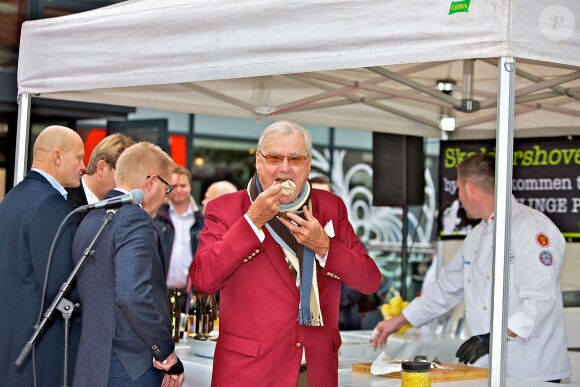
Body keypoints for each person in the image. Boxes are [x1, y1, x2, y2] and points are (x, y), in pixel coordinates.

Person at [191, 120, 381, 386]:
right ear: (258, 161)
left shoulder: (330, 207)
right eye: (274, 157)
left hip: (314, 371)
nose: (284, 167)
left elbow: (369, 280)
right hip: (250, 372)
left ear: (308, 163)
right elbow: (203, 279)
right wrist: (251, 222)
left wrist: (325, 246)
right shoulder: (226, 209)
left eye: (295, 158)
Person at [372, 153, 570, 383]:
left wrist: (493, 338)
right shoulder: (476, 236)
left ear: (469, 188)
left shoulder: (532, 228)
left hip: (531, 369)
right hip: (487, 367)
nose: (459, 197)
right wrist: (396, 322)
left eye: (458, 189)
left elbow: (539, 300)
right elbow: (445, 289)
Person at [72, 142, 185, 387]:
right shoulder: (135, 219)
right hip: (130, 366)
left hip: (91, 363)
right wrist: (165, 351)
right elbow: (133, 295)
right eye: (167, 191)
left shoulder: (90, 217)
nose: (166, 201)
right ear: (151, 181)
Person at [0, 125, 85, 387]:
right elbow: (61, 287)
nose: (83, 166)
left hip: (11, 343)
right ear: (57, 157)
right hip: (38, 353)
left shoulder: (14, 196)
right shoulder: (50, 203)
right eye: (79, 157)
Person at [310, 174, 381, 330]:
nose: (319, 203)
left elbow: (366, 277)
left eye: (325, 196)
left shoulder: (345, 235)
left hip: (344, 318)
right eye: (314, 197)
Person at [155, 165, 204, 311]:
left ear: (190, 187)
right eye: (174, 186)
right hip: (161, 293)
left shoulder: (202, 218)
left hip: (192, 295)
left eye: (183, 185)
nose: (179, 190)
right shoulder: (157, 216)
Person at [67, 133, 135, 224]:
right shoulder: (65, 203)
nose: (127, 184)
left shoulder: (123, 206)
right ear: (101, 168)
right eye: (122, 175)